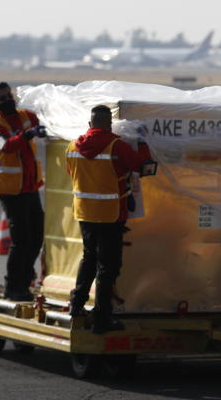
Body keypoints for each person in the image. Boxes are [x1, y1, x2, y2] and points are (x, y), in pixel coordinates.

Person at [66, 105, 156, 333]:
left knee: (88, 259)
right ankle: (102, 318)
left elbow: (72, 173)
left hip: (85, 212)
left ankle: (76, 306)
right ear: (109, 125)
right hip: (110, 214)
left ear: (90, 124)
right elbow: (144, 168)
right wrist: (143, 142)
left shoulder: (72, 146)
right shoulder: (117, 146)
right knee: (108, 267)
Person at [0, 81, 46, 301]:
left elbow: (43, 122)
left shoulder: (25, 116)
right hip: (11, 192)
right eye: (2, 98)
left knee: (37, 237)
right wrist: (28, 135)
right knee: (21, 241)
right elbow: (6, 146)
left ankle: (25, 276)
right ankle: (13, 286)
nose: (8, 100)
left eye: (8, 95)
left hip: (30, 187)